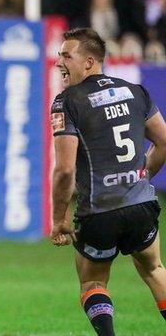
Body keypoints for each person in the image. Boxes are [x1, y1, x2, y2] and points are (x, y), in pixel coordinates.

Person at [50, 27, 166, 335]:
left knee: (93, 282)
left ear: (89, 62)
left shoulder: (68, 101)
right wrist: (141, 178)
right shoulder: (134, 91)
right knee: (154, 269)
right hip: (141, 205)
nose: (59, 61)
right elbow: (164, 141)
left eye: (66, 56)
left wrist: (59, 217)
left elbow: (63, 170)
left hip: (99, 212)